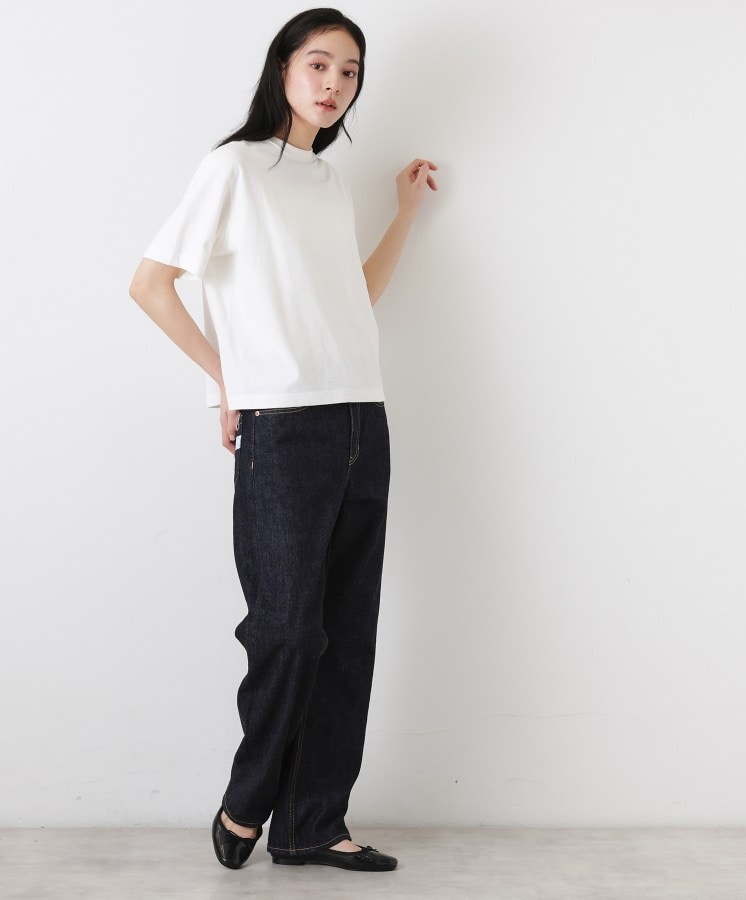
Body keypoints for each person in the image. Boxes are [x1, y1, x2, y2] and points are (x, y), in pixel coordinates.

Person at [129, 7, 437, 874]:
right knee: (288, 630)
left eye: (350, 71)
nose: (335, 83)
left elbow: (352, 298)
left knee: (347, 635)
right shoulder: (233, 169)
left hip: (362, 415)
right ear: (283, 69)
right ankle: (249, 797)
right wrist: (224, 379)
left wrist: (404, 214)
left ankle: (312, 824)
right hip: (284, 425)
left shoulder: (327, 182)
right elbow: (150, 285)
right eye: (319, 64)